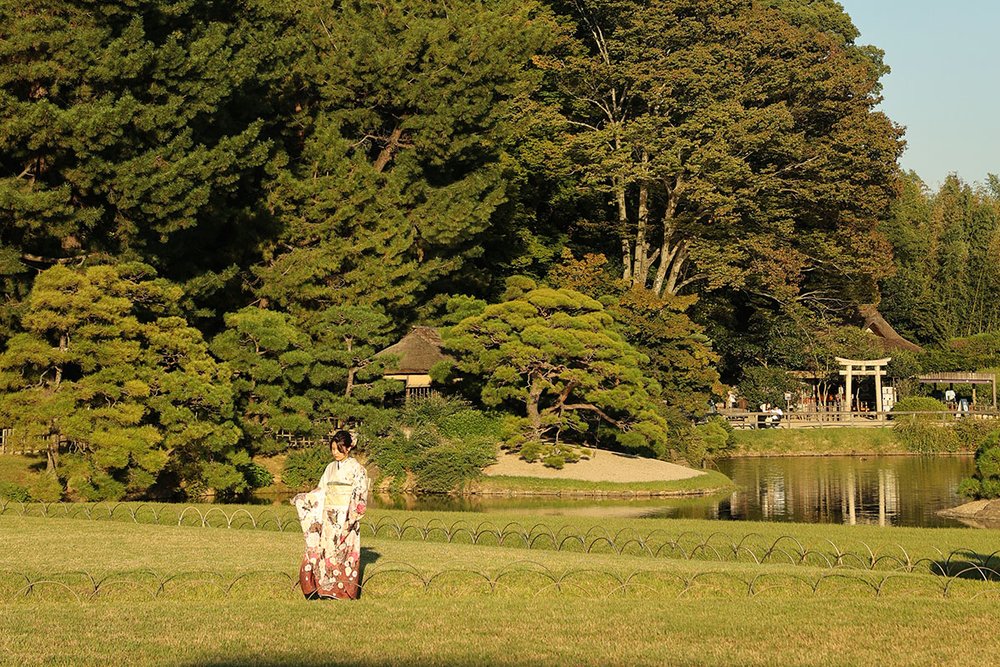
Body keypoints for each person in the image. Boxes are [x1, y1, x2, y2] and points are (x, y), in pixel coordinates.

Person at [291, 430, 370, 600]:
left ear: (348, 448)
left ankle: (342, 592)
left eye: (338, 449)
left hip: (347, 515)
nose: (335, 453)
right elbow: (321, 491)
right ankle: (323, 589)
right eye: (333, 449)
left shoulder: (358, 469)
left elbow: (360, 496)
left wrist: (351, 518)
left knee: (344, 553)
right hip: (329, 516)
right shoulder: (330, 468)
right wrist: (305, 498)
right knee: (326, 551)